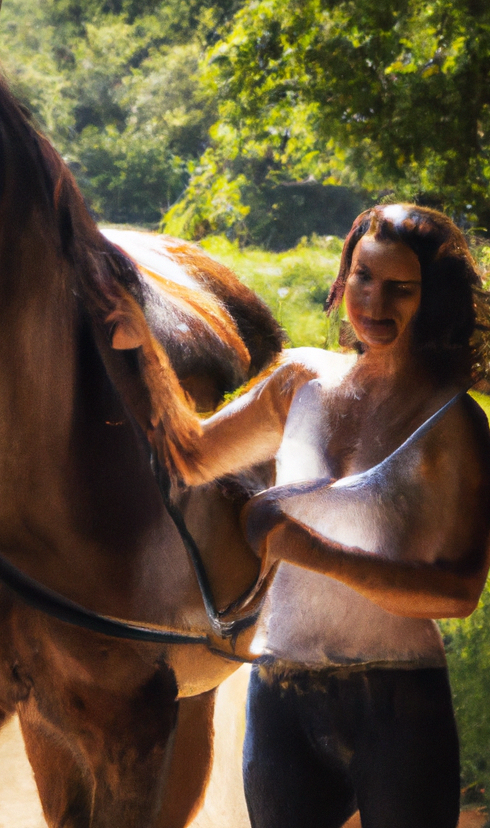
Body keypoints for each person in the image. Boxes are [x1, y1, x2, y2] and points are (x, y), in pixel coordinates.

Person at [168, 204, 490, 828]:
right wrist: (130, 351)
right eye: (364, 277)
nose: (374, 301)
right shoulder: (299, 382)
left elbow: (458, 593)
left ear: (435, 300)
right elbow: (189, 457)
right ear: (344, 276)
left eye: (401, 288)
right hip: (280, 694)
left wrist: (312, 552)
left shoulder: (454, 424)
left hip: (398, 707)